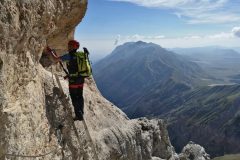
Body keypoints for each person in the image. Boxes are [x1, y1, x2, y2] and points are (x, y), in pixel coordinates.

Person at [47, 40, 90, 121]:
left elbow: (55, 59)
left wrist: (50, 51)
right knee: (80, 96)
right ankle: (81, 112)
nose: (68, 47)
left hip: (73, 81)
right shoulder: (81, 55)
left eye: (69, 45)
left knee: (74, 97)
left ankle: (78, 115)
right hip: (81, 79)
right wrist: (68, 75)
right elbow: (77, 68)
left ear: (72, 46)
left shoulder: (69, 55)